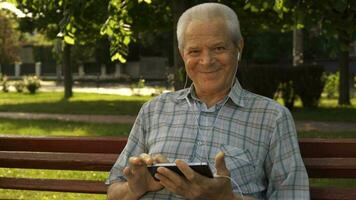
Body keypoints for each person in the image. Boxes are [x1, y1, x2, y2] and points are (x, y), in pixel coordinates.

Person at [106, 3, 309, 200]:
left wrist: (227, 198)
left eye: (219, 48)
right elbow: (113, 190)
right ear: (182, 54)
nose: (206, 60)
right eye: (195, 51)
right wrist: (134, 188)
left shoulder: (272, 117)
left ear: (238, 47)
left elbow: (293, 195)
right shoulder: (154, 110)